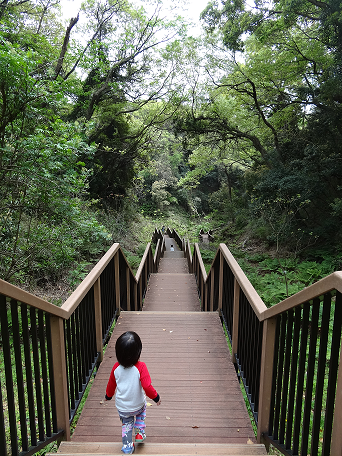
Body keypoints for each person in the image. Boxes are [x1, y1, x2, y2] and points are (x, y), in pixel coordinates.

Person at [105, 331, 161, 454]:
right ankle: (140, 432)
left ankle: (127, 447)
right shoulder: (141, 367)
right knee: (142, 408)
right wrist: (156, 397)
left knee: (126, 424)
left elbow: (111, 385)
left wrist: (108, 396)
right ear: (138, 353)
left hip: (122, 407)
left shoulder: (115, 368)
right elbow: (147, 386)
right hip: (138, 405)